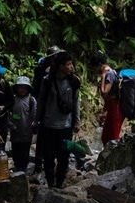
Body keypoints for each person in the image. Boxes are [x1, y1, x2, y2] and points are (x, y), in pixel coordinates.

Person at [35, 53, 80, 189]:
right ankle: (50, 183)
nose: (71, 67)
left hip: (66, 126)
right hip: (48, 125)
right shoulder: (47, 80)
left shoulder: (74, 81)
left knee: (63, 157)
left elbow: (76, 102)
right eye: (68, 64)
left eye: (71, 64)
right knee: (48, 157)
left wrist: (77, 121)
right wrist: (36, 119)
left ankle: (59, 184)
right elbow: (41, 100)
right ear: (61, 66)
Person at [5, 76, 38, 179]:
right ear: (16, 88)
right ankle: (17, 169)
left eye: (25, 87)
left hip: (26, 133)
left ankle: (23, 171)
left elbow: (34, 115)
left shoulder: (31, 100)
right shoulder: (13, 100)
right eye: (20, 87)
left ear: (28, 89)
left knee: (24, 153)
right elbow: (8, 114)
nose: (22, 90)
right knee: (16, 152)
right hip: (15, 132)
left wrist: (33, 124)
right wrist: (12, 124)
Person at [92, 51, 124, 145]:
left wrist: (102, 77)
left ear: (100, 65)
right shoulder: (109, 73)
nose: (95, 70)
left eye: (95, 67)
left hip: (116, 110)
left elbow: (104, 93)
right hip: (111, 108)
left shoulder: (109, 74)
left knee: (113, 137)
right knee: (105, 137)